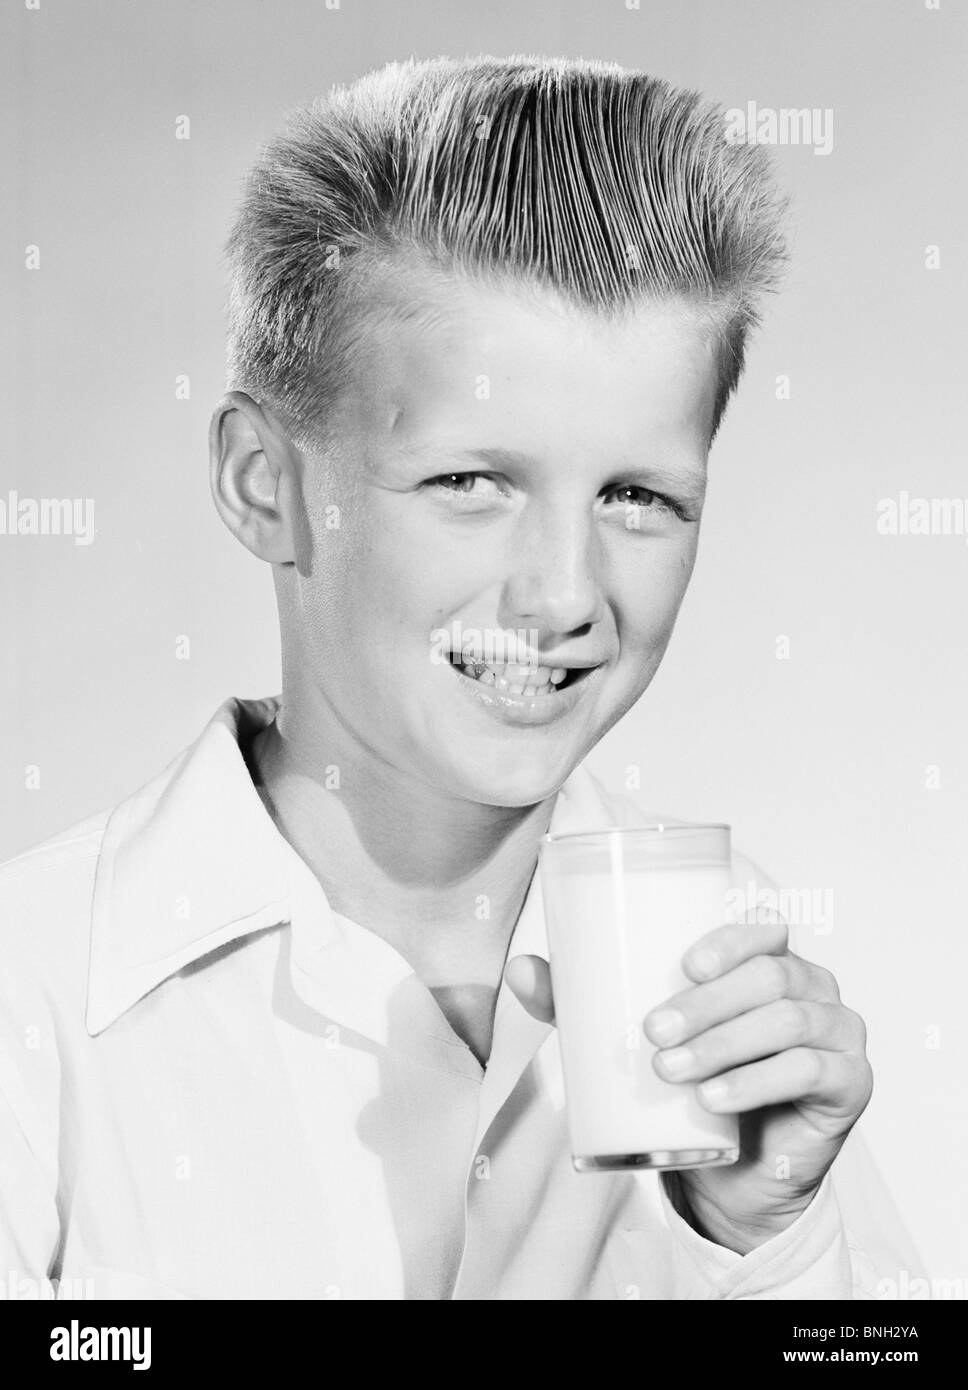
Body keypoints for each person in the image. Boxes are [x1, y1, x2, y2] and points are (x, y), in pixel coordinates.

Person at [0, 55, 921, 1300]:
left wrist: (767, 1242)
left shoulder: (718, 965)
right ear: (263, 484)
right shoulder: (40, 1000)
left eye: (637, 495)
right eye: (468, 483)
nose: (562, 594)